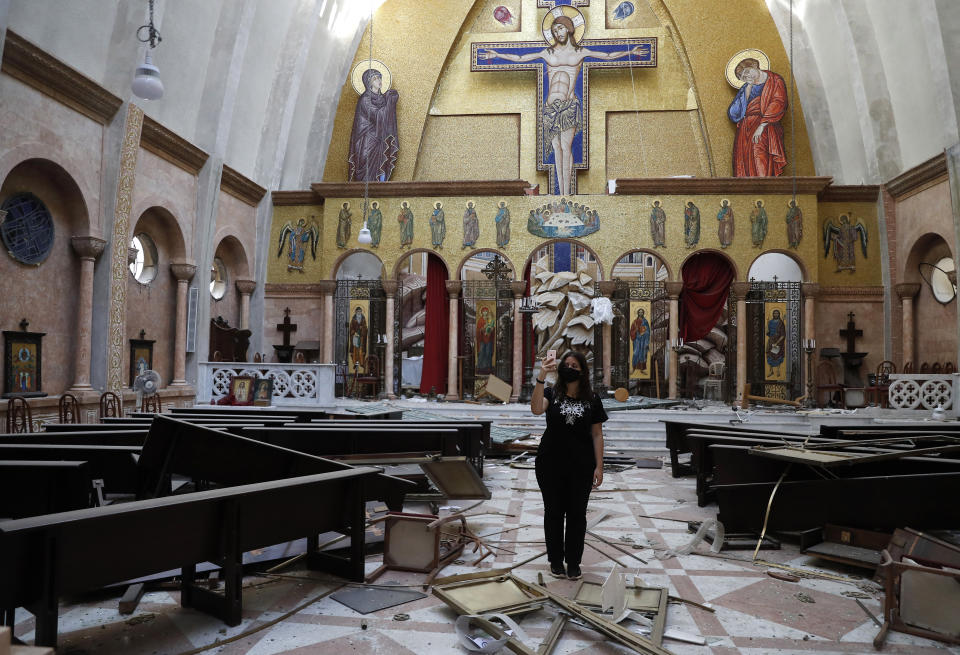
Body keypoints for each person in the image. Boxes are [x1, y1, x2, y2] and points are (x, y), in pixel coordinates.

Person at [481, 16, 648, 195]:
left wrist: (631, 52)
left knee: (566, 147)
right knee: (556, 148)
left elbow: (607, 55)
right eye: (554, 31)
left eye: (560, 29)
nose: (557, 33)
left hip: (569, 106)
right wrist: (497, 54)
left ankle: (566, 193)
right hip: (550, 109)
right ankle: (560, 194)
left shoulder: (580, 52)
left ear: (568, 28)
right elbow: (521, 57)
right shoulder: (548, 53)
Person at [530, 350, 608, 580]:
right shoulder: (550, 393)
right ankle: (555, 560)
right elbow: (535, 409)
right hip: (550, 463)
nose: (570, 368)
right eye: (566, 364)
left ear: (583, 371)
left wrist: (599, 466)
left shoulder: (592, 399)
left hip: (581, 465)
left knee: (577, 514)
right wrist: (542, 374)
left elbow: (597, 434)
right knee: (553, 512)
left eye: (575, 365)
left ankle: (573, 562)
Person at [727, 58, 787, 177]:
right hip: (745, 127)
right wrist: (747, 91)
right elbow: (733, 113)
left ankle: (763, 187)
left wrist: (762, 125)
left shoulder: (775, 80)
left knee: (759, 155)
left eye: (747, 72)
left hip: (765, 125)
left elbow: (778, 102)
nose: (747, 77)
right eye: (743, 77)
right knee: (743, 159)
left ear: (755, 66)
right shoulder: (746, 87)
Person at [348, 68, 399, 182]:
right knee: (366, 167)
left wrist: (389, 100)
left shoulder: (383, 99)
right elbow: (377, 116)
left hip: (379, 139)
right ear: (368, 82)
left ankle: (379, 185)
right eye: (375, 79)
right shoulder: (365, 100)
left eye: (380, 78)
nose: (379, 81)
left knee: (382, 163)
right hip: (366, 140)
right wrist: (390, 103)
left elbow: (385, 118)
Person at [629, 308, 650, 374]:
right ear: (638, 313)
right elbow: (631, 331)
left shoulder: (645, 321)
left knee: (642, 354)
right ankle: (633, 368)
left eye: (642, 312)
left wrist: (644, 332)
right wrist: (636, 330)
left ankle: (642, 369)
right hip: (637, 340)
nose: (640, 313)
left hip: (643, 341)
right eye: (639, 312)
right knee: (635, 353)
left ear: (643, 313)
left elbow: (648, 332)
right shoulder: (634, 322)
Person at [766, 309, 786, 377]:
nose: (776, 314)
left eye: (777, 313)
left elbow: (783, 335)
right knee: (769, 355)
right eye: (774, 313)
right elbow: (767, 332)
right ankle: (771, 371)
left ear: (779, 314)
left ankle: (778, 371)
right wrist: (767, 323)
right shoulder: (770, 322)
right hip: (771, 341)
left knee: (777, 356)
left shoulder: (781, 323)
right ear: (773, 314)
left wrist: (777, 343)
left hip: (778, 342)